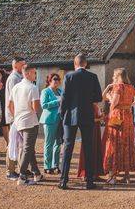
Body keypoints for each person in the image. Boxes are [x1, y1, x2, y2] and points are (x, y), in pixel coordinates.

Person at [58, 54, 103, 190]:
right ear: (86, 64)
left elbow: (64, 97)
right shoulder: (93, 77)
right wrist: (88, 100)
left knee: (68, 147)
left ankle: (63, 181)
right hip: (87, 115)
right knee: (88, 148)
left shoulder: (69, 76)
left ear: (75, 64)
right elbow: (99, 97)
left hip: (71, 115)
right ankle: (89, 181)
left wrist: (62, 113)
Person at [102, 68, 135, 185]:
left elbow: (113, 102)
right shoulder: (130, 87)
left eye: (114, 75)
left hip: (116, 116)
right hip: (127, 116)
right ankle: (126, 175)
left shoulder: (118, 87)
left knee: (113, 142)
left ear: (117, 76)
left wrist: (110, 98)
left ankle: (112, 176)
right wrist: (130, 104)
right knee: (126, 142)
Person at [10, 65, 42, 186]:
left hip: (19, 121)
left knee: (28, 148)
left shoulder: (16, 87)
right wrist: (35, 108)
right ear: (27, 74)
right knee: (27, 148)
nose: (35, 75)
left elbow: (10, 105)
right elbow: (35, 107)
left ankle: (36, 173)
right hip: (30, 120)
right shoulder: (33, 87)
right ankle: (22, 176)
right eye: (34, 73)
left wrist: (16, 115)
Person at [4, 56, 26, 180]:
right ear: (15, 65)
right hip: (15, 115)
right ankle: (10, 170)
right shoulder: (14, 79)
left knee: (20, 143)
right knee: (13, 143)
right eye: (22, 65)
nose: (24, 67)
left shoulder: (19, 78)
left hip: (19, 115)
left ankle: (19, 167)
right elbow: (14, 99)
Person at [40, 73, 63, 174]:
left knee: (58, 143)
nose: (57, 81)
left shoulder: (61, 91)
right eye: (55, 79)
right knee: (49, 143)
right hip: (49, 120)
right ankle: (47, 166)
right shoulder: (45, 91)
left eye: (58, 79)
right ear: (49, 80)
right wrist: (57, 102)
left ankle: (55, 165)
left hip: (60, 120)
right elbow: (44, 105)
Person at [77, 102, 105, 181]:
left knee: (95, 149)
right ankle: (86, 173)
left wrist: (101, 116)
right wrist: (100, 119)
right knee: (89, 150)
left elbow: (97, 115)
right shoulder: (88, 105)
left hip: (96, 129)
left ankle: (95, 173)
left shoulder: (95, 105)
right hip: (90, 129)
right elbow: (89, 119)